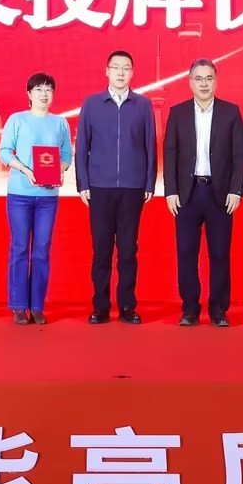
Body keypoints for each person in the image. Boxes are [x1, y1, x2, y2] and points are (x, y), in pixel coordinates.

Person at [163, 59, 243, 327]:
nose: (204, 83)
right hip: (186, 195)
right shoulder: (178, 113)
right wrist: (170, 191)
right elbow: (170, 152)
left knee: (220, 254)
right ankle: (189, 309)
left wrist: (236, 189)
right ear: (190, 82)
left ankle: (219, 310)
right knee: (186, 253)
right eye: (198, 78)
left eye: (209, 78)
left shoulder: (231, 112)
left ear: (216, 81)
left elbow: (239, 154)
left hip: (220, 194)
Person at [75, 49, 156, 324]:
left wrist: (149, 181)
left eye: (126, 68)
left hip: (133, 187)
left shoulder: (143, 105)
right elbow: (82, 146)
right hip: (99, 187)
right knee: (101, 250)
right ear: (107, 71)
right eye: (116, 67)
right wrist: (83, 183)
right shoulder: (92, 104)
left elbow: (150, 145)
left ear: (132, 73)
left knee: (128, 249)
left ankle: (127, 306)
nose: (121, 72)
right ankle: (100, 307)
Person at [0, 73, 74, 325]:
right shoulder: (17, 119)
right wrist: (25, 170)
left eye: (49, 89)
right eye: (39, 89)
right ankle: (19, 306)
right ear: (29, 94)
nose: (44, 93)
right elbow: (4, 152)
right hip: (20, 194)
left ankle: (37, 306)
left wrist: (59, 171)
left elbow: (66, 155)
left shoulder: (60, 123)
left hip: (48, 197)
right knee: (20, 248)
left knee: (42, 249)